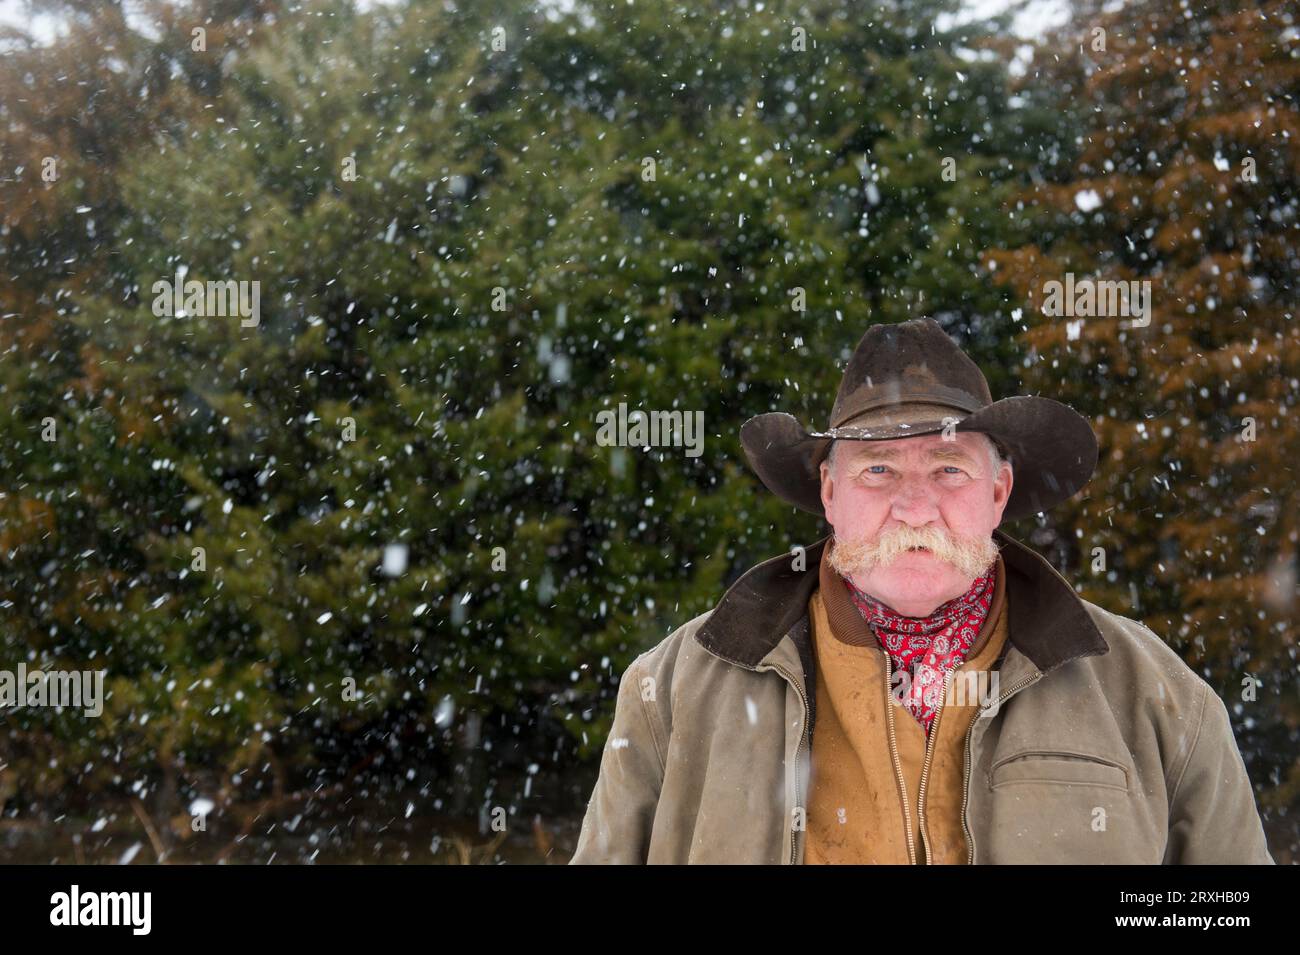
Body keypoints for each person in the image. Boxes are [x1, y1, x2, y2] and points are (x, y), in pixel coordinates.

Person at [570, 317, 1274, 864]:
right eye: (878, 470)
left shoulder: (1156, 697)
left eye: (948, 469)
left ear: (999, 491)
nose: (914, 506)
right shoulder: (673, 693)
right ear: (829, 491)